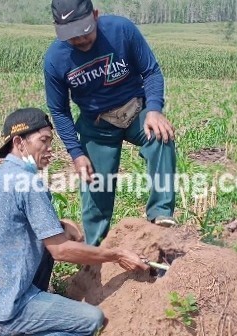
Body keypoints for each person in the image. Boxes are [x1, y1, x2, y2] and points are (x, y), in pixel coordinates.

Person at [0, 107, 149, 336]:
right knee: (93, 321)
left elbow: (14, 221)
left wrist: (59, 223)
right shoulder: (29, 183)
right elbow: (60, 250)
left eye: (51, 141)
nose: (49, 149)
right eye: (43, 141)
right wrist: (115, 254)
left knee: (48, 238)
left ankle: (5, 326)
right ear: (19, 143)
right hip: (2, 312)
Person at [44, 0, 177, 247]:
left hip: (136, 110)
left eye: (83, 33)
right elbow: (59, 110)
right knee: (95, 184)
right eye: (71, 37)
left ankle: (160, 215)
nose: (80, 41)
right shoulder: (55, 60)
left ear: (95, 15)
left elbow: (151, 71)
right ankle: (95, 251)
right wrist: (76, 153)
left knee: (161, 138)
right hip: (97, 125)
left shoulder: (121, 30)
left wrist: (154, 110)